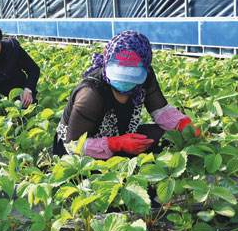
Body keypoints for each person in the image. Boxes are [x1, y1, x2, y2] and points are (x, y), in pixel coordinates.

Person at [53, 30, 199, 159]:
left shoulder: (146, 77)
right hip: (77, 151)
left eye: (133, 75)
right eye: (120, 73)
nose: (125, 82)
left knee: (169, 136)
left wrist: (184, 124)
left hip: (121, 135)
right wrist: (116, 144)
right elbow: (73, 145)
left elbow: (160, 110)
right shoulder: (91, 94)